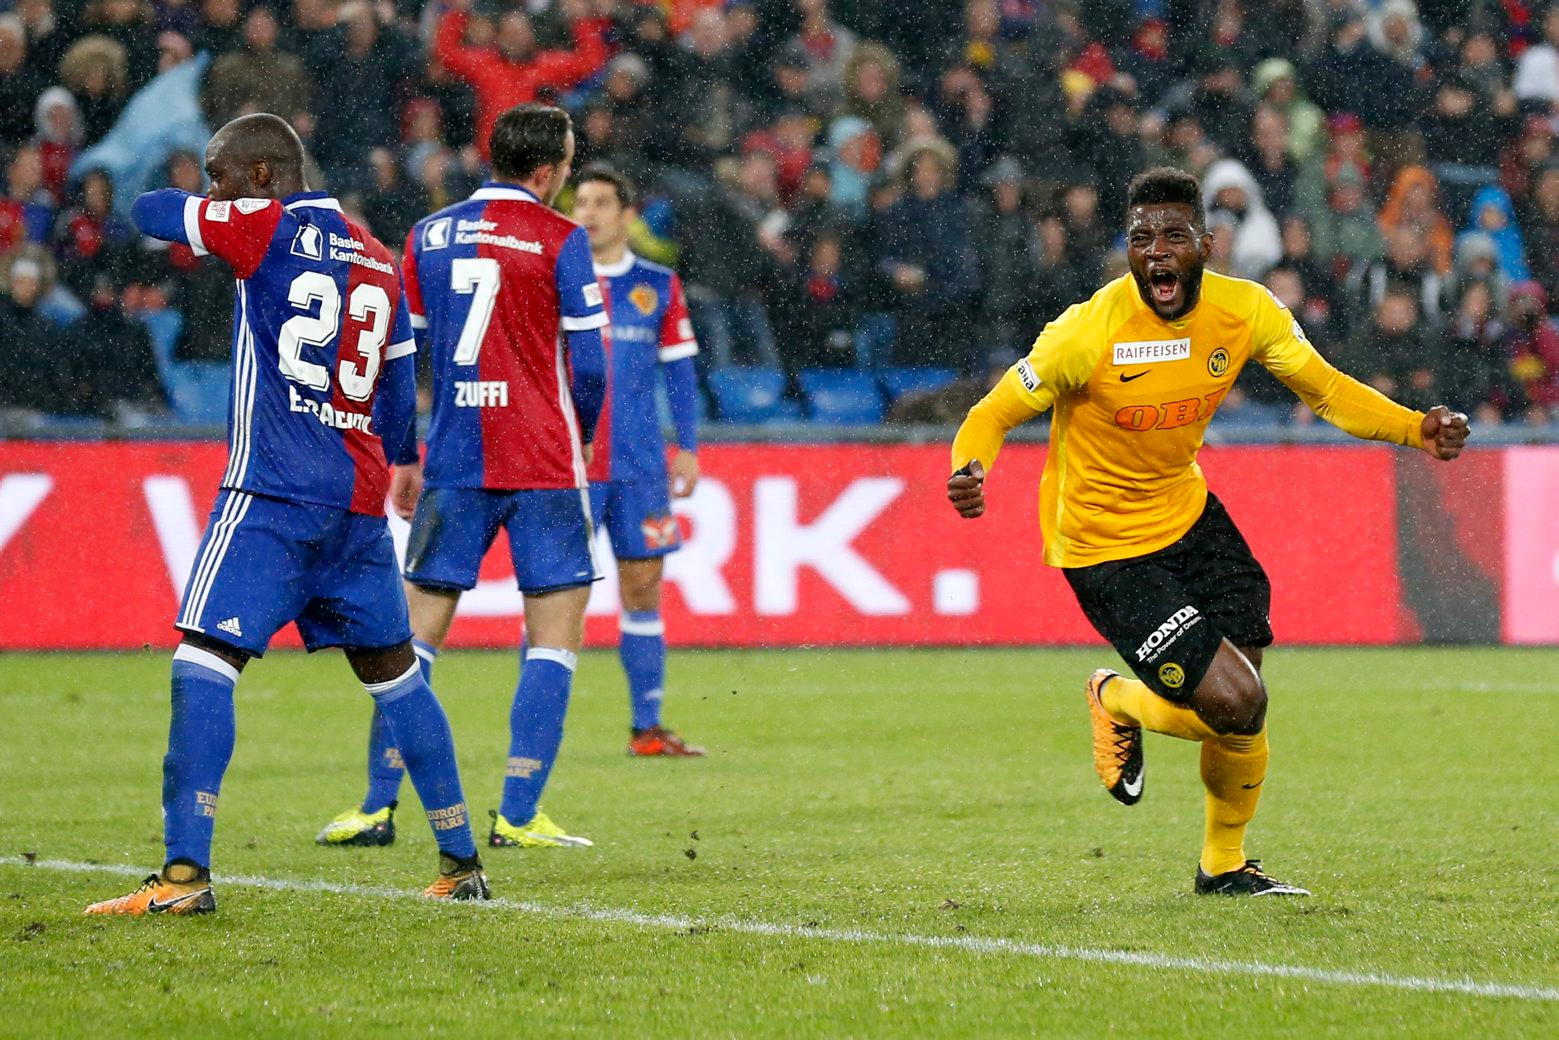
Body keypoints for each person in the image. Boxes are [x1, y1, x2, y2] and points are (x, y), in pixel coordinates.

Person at [945, 168, 1469, 897]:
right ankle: (1117, 699)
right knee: (1234, 703)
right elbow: (992, 411)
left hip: (1189, 519)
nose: (1155, 253)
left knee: (1239, 698)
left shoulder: (1243, 311)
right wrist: (969, 468)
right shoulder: (1085, 333)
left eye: (1171, 236)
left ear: (1205, 243)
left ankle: (1223, 866)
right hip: (1103, 546)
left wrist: (1415, 428)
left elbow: (1324, 389)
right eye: (1139, 240)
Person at [85, 113, 488, 914]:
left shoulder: (262, 228)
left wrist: (196, 209)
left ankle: (183, 877)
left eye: (219, 174)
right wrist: (401, 462)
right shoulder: (377, 259)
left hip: (271, 494)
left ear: (263, 176)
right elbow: (400, 390)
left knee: (203, 664)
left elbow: (149, 214)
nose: (212, 189)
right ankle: (461, 862)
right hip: (358, 503)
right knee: (395, 674)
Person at [316, 103, 608, 851]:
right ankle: (518, 812)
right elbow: (593, 367)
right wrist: (570, 424)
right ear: (546, 172)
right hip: (542, 464)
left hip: (453, 459)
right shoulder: (561, 239)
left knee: (411, 639)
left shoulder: (428, 235)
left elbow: (397, 360)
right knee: (552, 636)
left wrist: (404, 453)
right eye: (568, 165)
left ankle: (376, 808)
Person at [569, 163, 705, 757]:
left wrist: (691, 448)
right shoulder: (555, 280)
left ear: (627, 216)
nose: (588, 213)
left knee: (643, 589)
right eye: (580, 202)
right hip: (570, 466)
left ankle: (647, 728)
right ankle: (541, 730)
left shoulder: (658, 285)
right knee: (556, 598)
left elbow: (679, 374)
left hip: (640, 466)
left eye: (601, 202)